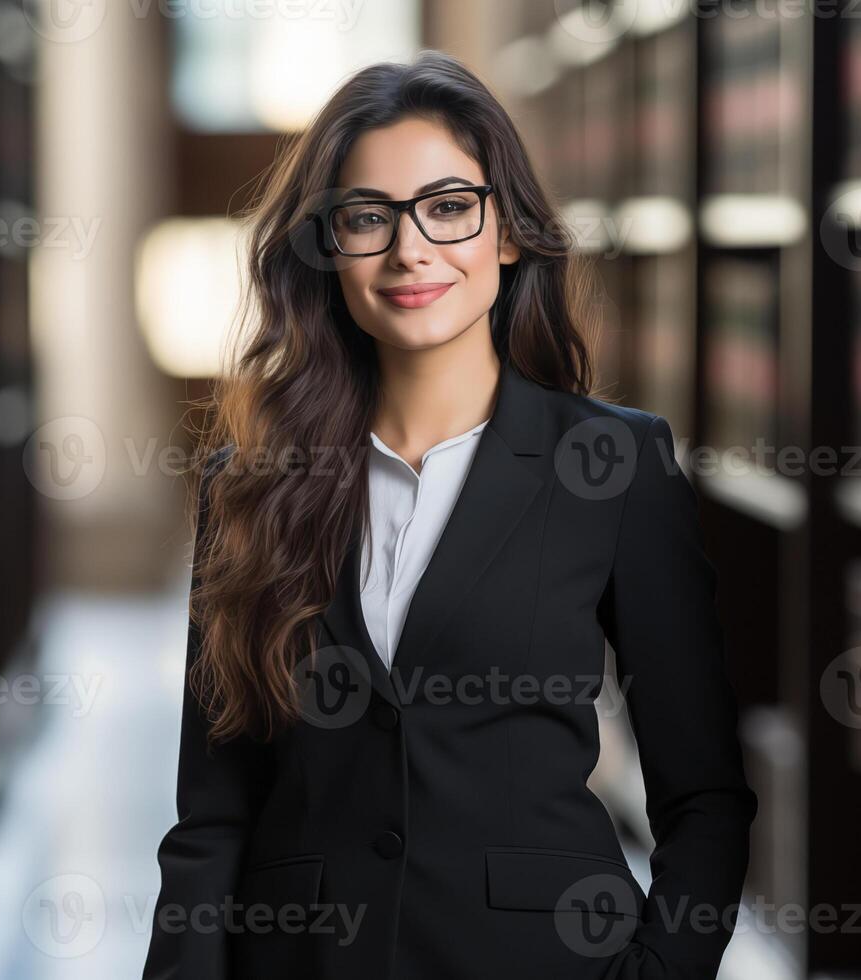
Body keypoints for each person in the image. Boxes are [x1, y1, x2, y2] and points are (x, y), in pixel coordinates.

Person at [142, 49, 757, 980]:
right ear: (327, 250)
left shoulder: (612, 466)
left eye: (446, 206)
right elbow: (214, 810)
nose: (409, 250)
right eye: (365, 218)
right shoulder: (250, 480)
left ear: (505, 232)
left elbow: (702, 796)